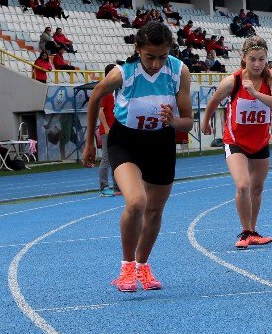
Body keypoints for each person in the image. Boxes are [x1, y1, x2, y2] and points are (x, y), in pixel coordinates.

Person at [81, 21, 194, 292]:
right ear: (138, 49)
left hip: (161, 142)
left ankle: (143, 267)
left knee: (155, 210)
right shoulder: (123, 74)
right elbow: (95, 97)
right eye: (149, 57)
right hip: (126, 141)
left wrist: (174, 121)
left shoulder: (179, 72)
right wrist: (90, 143)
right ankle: (126, 267)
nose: (156, 64)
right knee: (136, 202)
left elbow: (188, 122)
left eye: (162, 57)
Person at [201, 36, 272, 248]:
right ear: (243, 58)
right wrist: (205, 121)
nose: (257, 64)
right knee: (243, 184)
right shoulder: (233, 81)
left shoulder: (271, 78)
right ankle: (245, 232)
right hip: (235, 140)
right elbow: (214, 101)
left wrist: (255, 93)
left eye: (262, 59)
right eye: (253, 59)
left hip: (260, 142)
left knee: (257, 188)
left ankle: (253, 230)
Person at [96, 64, 120, 196]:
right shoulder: (105, 90)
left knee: (117, 158)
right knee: (106, 158)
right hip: (108, 130)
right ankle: (104, 187)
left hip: (117, 129)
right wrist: (106, 127)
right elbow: (100, 111)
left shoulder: (116, 90)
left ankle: (117, 186)